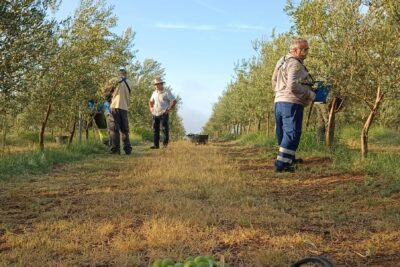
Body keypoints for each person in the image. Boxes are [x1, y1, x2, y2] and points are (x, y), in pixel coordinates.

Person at [271, 37, 316, 172]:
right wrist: (310, 94)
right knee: (292, 133)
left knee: (283, 133)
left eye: (307, 49)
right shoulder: (295, 64)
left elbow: (273, 79)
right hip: (291, 102)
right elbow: (293, 85)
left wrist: (279, 92)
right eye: (304, 50)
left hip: (279, 101)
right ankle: (282, 165)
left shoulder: (282, 60)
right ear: (295, 50)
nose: (306, 52)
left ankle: (289, 158)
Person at [109, 67, 133, 155]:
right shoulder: (130, 82)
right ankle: (127, 149)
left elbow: (105, 91)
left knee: (114, 129)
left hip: (114, 106)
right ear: (125, 74)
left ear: (118, 73)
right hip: (124, 107)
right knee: (125, 130)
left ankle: (115, 149)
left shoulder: (113, 80)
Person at [148, 77, 177, 149]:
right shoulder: (154, 93)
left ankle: (165, 145)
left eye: (158, 84)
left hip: (163, 113)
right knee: (155, 130)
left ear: (161, 84)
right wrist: (151, 108)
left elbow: (173, 101)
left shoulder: (167, 92)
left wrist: (169, 109)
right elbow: (150, 101)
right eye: (155, 84)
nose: (156, 86)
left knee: (164, 129)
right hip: (155, 113)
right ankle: (156, 145)